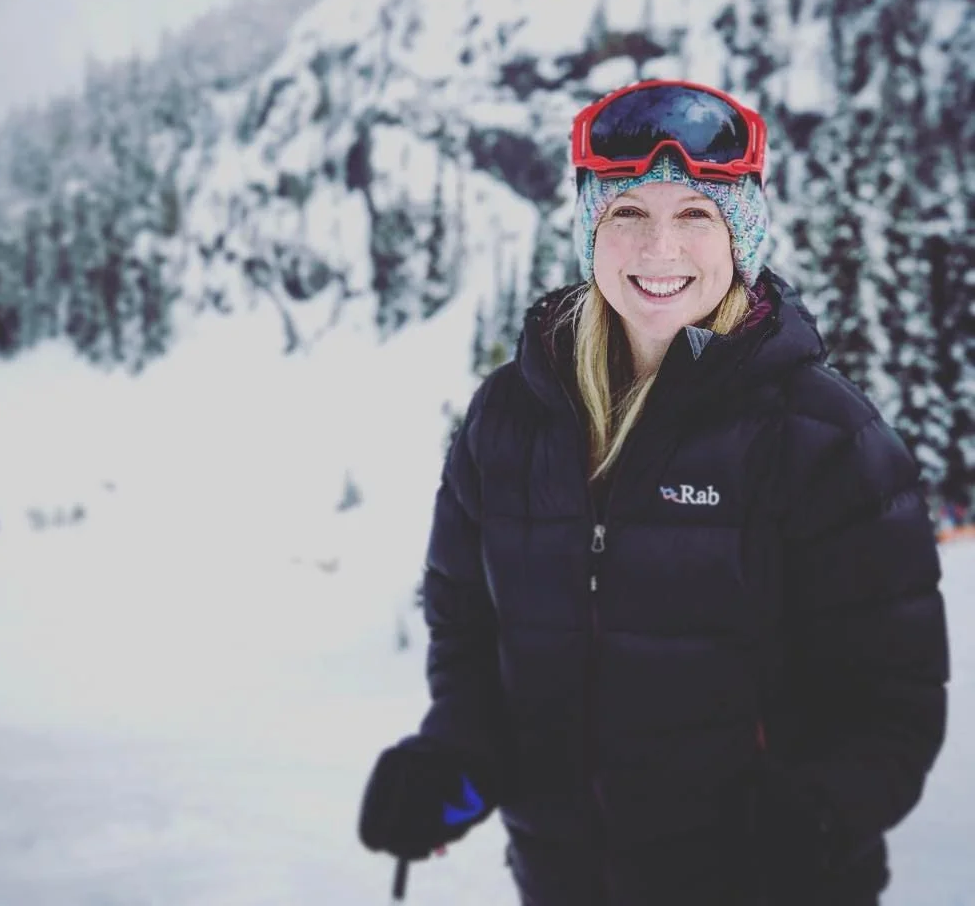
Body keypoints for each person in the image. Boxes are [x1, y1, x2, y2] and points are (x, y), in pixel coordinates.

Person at [358, 79, 949, 905]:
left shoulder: (823, 437)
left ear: (739, 235)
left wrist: (815, 814)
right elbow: (471, 642)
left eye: (695, 216)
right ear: (589, 232)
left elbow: (896, 700)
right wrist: (453, 762)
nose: (658, 250)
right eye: (628, 213)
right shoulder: (510, 420)